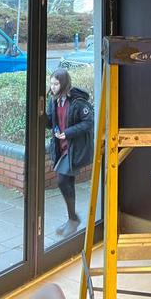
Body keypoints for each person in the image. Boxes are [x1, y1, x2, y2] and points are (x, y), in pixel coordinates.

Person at [46, 67, 94, 237]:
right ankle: (72, 220)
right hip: (61, 146)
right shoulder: (53, 100)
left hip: (74, 148)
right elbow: (51, 122)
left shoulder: (77, 102)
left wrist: (68, 132)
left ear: (64, 84)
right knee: (68, 182)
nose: (52, 87)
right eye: (51, 83)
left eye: (56, 84)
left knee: (62, 180)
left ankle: (73, 219)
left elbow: (89, 122)